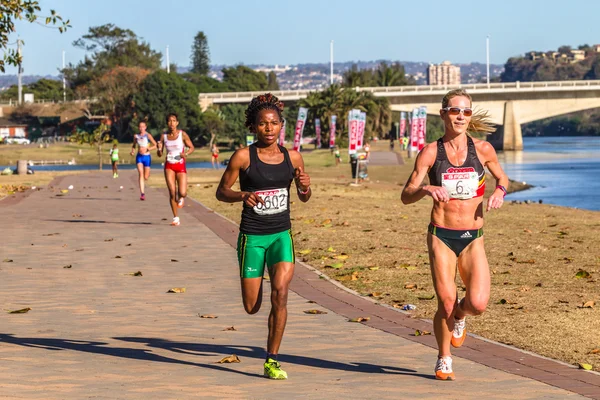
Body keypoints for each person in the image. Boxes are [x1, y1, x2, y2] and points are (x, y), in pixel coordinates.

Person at [400, 89, 508, 381]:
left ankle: (460, 316)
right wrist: (425, 189)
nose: (461, 115)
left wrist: (500, 191)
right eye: (455, 110)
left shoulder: (483, 150)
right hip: (441, 235)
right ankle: (444, 357)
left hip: (473, 236)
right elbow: (405, 195)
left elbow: (502, 177)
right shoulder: (431, 152)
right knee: (445, 301)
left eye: (466, 111)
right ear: (443, 114)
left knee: (478, 304)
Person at [216, 93, 311, 380]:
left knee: (280, 294)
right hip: (253, 238)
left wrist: (304, 187)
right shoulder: (244, 156)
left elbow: (304, 197)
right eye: (262, 124)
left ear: (281, 125)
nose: (268, 128)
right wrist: (242, 195)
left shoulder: (293, 157)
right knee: (251, 306)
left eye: (273, 123)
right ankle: (252, 281)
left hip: (281, 236)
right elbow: (221, 192)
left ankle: (272, 359)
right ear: (254, 127)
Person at [157, 113, 195, 226]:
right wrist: (159, 149)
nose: (171, 123)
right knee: (172, 192)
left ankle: (182, 198)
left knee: (182, 192)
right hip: (169, 165)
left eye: (174, 121)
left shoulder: (182, 135)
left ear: (177, 123)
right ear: (167, 123)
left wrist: (186, 153)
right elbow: (159, 154)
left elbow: (192, 147)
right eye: (169, 121)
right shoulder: (164, 136)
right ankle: (175, 217)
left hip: (180, 165)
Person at [130, 121, 157, 200]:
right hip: (139, 157)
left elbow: (155, 145)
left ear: (145, 127)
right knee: (140, 174)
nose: (141, 128)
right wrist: (132, 151)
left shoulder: (148, 135)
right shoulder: (136, 136)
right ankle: (142, 194)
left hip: (147, 157)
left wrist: (148, 148)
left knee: (145, 176)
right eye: (140, 127)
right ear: (138, 128)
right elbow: (134, 145)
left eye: (143, 127)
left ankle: (148, 173)